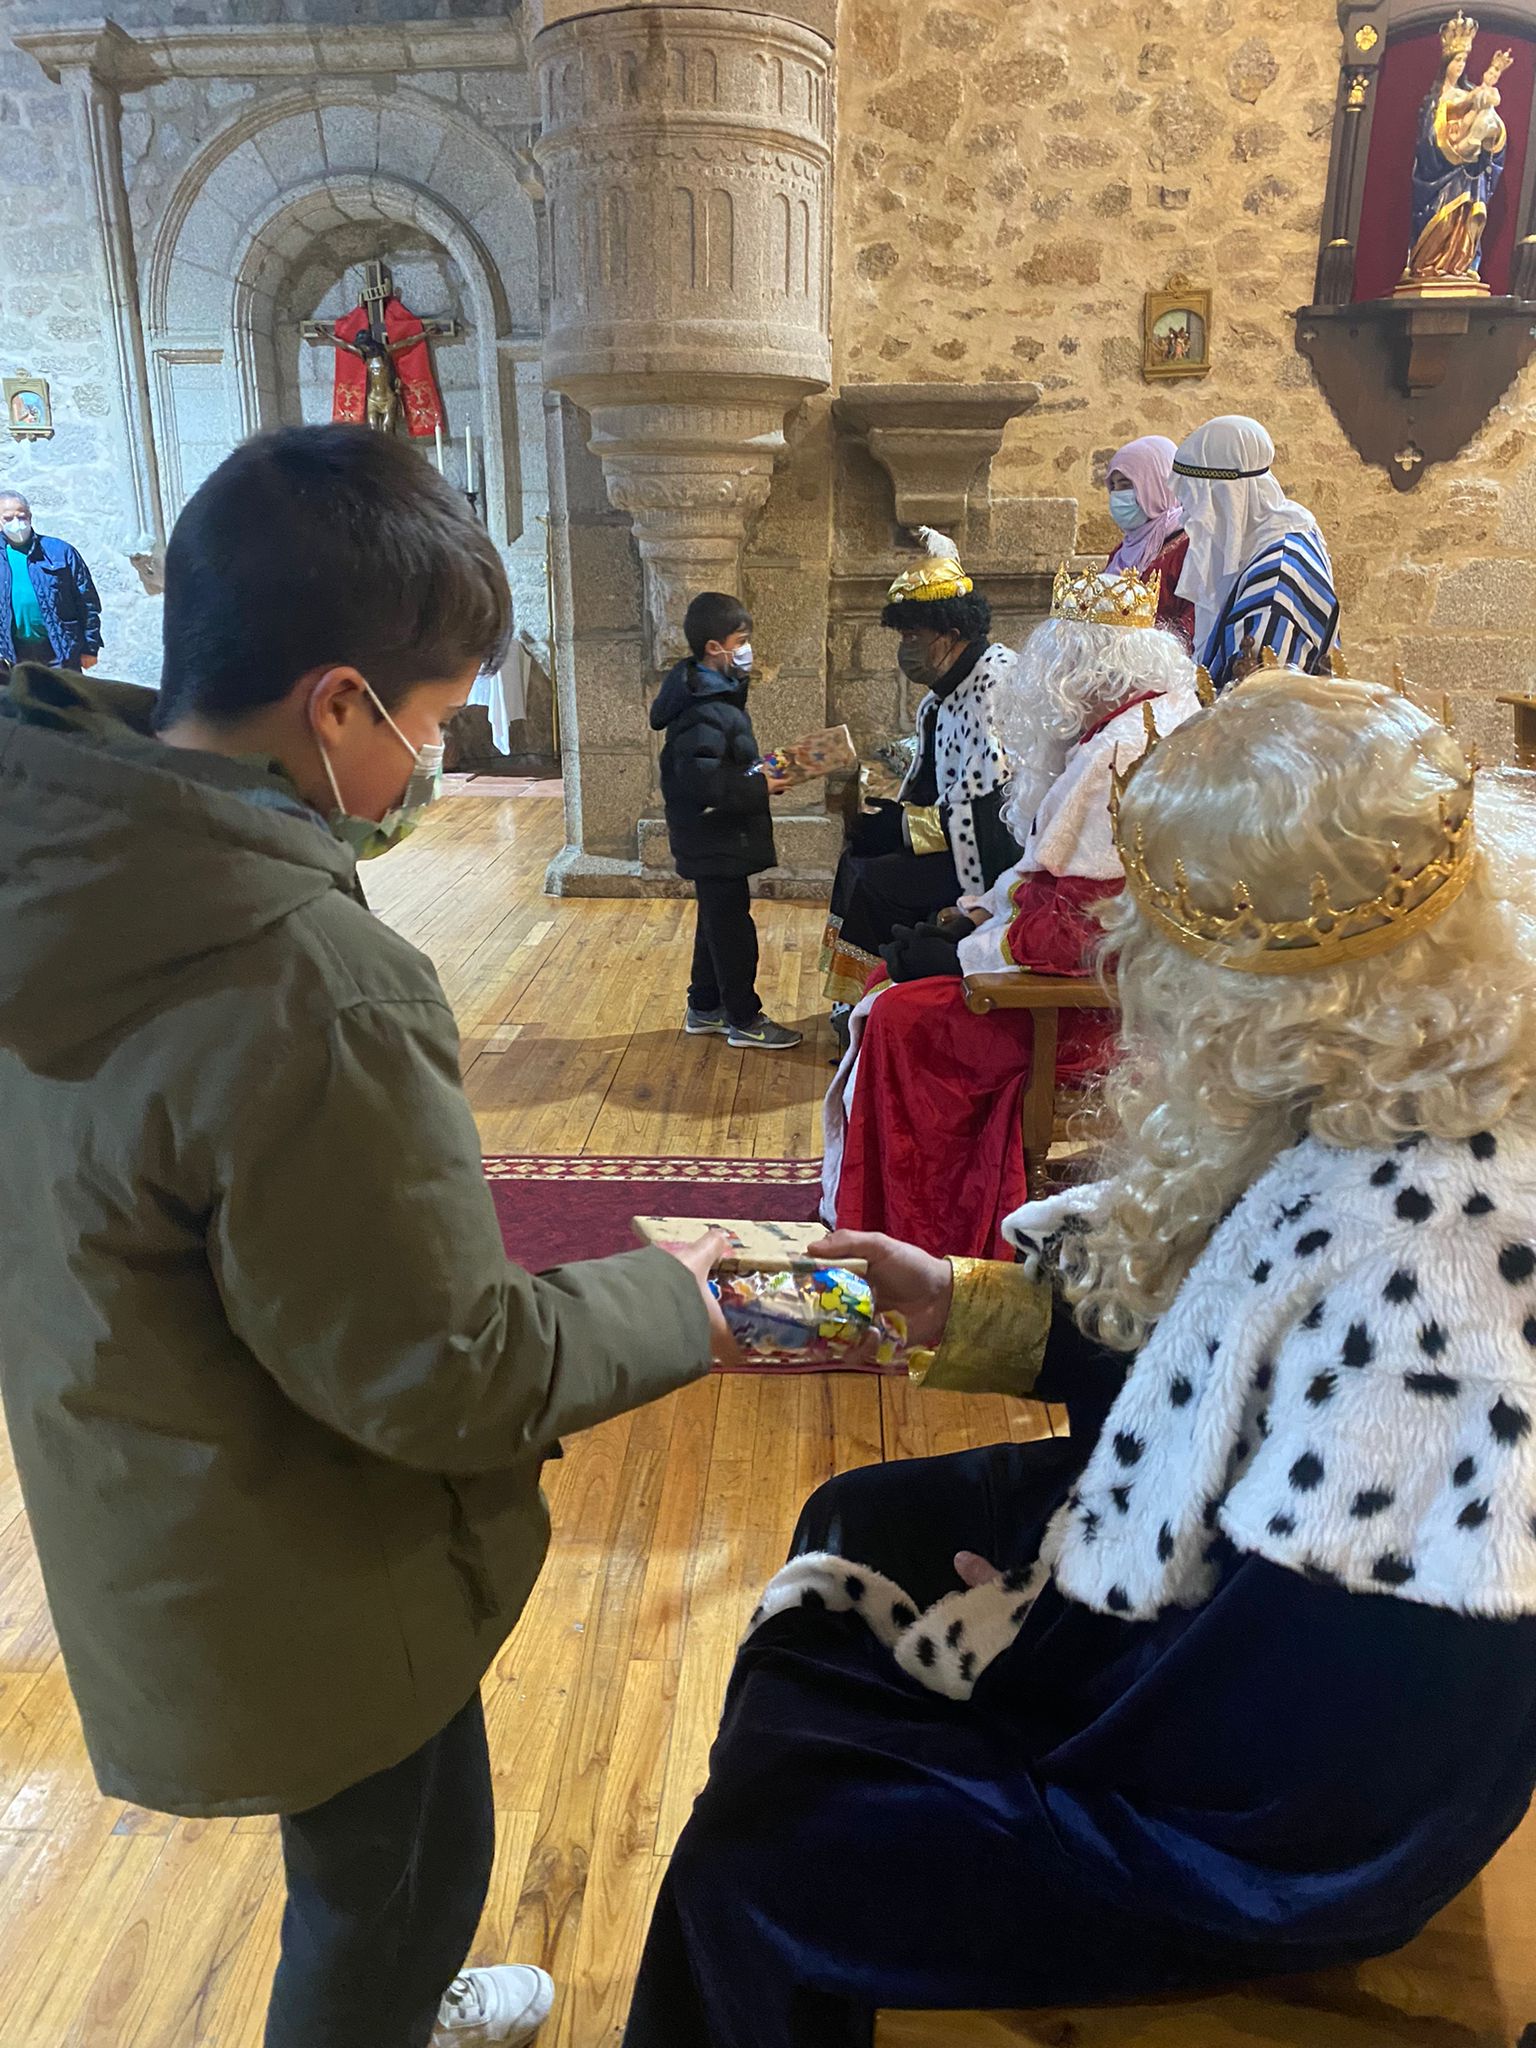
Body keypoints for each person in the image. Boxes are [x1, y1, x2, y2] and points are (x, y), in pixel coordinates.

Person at [623, 670, 1536, 2048]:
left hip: (1272, 1824)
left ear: (1270, 984)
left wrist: (1035, 1642)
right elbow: (1219, 1368)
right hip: (1236, 1621)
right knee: (863, 1515)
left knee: (769, 1845)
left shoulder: (1453, 1288)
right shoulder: (1403, 1078)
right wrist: (958, 1303)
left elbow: (1307, 1706)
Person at [0, 423, 740, 2048]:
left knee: (374, 1865)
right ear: (336, 704)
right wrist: (682, 1295)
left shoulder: (59, 842)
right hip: (309, 1549)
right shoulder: (304, 978)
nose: (431, 765)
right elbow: (442, 1370)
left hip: (164, 1481)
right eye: (434, 722)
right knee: (395, 1873)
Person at [822, 567, 1203, 1259]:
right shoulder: (1140, 724)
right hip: (1123, 987)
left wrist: (963, 955)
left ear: (1083, 665)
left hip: (1094, 1012)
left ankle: (924, 1240)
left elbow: (1078, 933)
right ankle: (883, 1214)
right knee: (891, 986)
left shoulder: (1121, 750)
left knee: (900, 1018)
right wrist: (975, 920)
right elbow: (1056, 887)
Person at [821, 529, 1019, 1012]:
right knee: (856, 860)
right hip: (949, 836)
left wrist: (906, 829)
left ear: (950, 634)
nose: (905, 647)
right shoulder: (941, 693)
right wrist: (893, 818)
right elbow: (931, 778)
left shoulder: (995, 683)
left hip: (989, 858)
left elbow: (989, 800)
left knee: (877, 882)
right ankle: (854, 1000)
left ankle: (878, 1002)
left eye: (914, 635)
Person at [650, 590, 804, 1051]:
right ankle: (744, 1018)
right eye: (740, 640)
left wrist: (766, 770)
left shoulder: (714, 692)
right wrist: (763, 785)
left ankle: (704, 1006)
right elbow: (702, 783)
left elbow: (721, 767)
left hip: (716, 835)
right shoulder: (703, 708)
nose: (746, 648)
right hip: (713, 834)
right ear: (714, 648)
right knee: (733, 929)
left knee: (716, 921)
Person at [1172, 415, 1339, 688]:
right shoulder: (1288, 525)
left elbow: (1254, 700)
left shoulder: (1275, 583)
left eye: (1193, 499)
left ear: (1224, 496)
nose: (1185, 516)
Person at [1104, 434, 1195, 646]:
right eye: (1113, 487)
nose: (1117, 495)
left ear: (1158, 483)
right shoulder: (1122, 551)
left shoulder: (1189, 547)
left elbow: (1193, 624)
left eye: (1126, 485)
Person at [0, 488, 102, 674]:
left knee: (66, 702)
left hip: (60, 651)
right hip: (12, 656)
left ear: (30, 517)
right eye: (8, 518)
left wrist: (90, 647)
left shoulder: (60, 552)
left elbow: (87, 602)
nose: (17, 523)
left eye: (21, 516)